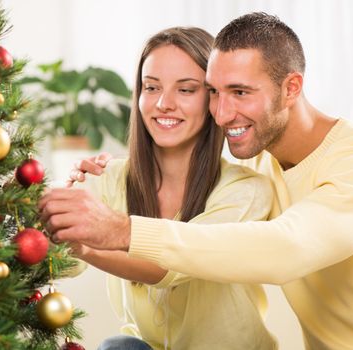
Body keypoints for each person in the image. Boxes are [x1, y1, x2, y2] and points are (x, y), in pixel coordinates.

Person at [40, 13, 353, 349]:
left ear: (291, 88)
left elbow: (287, 248)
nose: (222, 114)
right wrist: (75, 191)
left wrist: (119, 229)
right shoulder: (263, 160)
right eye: (214, 93)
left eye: (240, 92)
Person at [42, 27, 277, 350]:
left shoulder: (245, 190)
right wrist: (50, 201)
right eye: (151, 87)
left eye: (186, 90)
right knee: (120, 347)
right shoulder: (109, 177)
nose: (164, 103)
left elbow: (170, 267)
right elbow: (65, 263)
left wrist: (88, 242)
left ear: (212, 99)